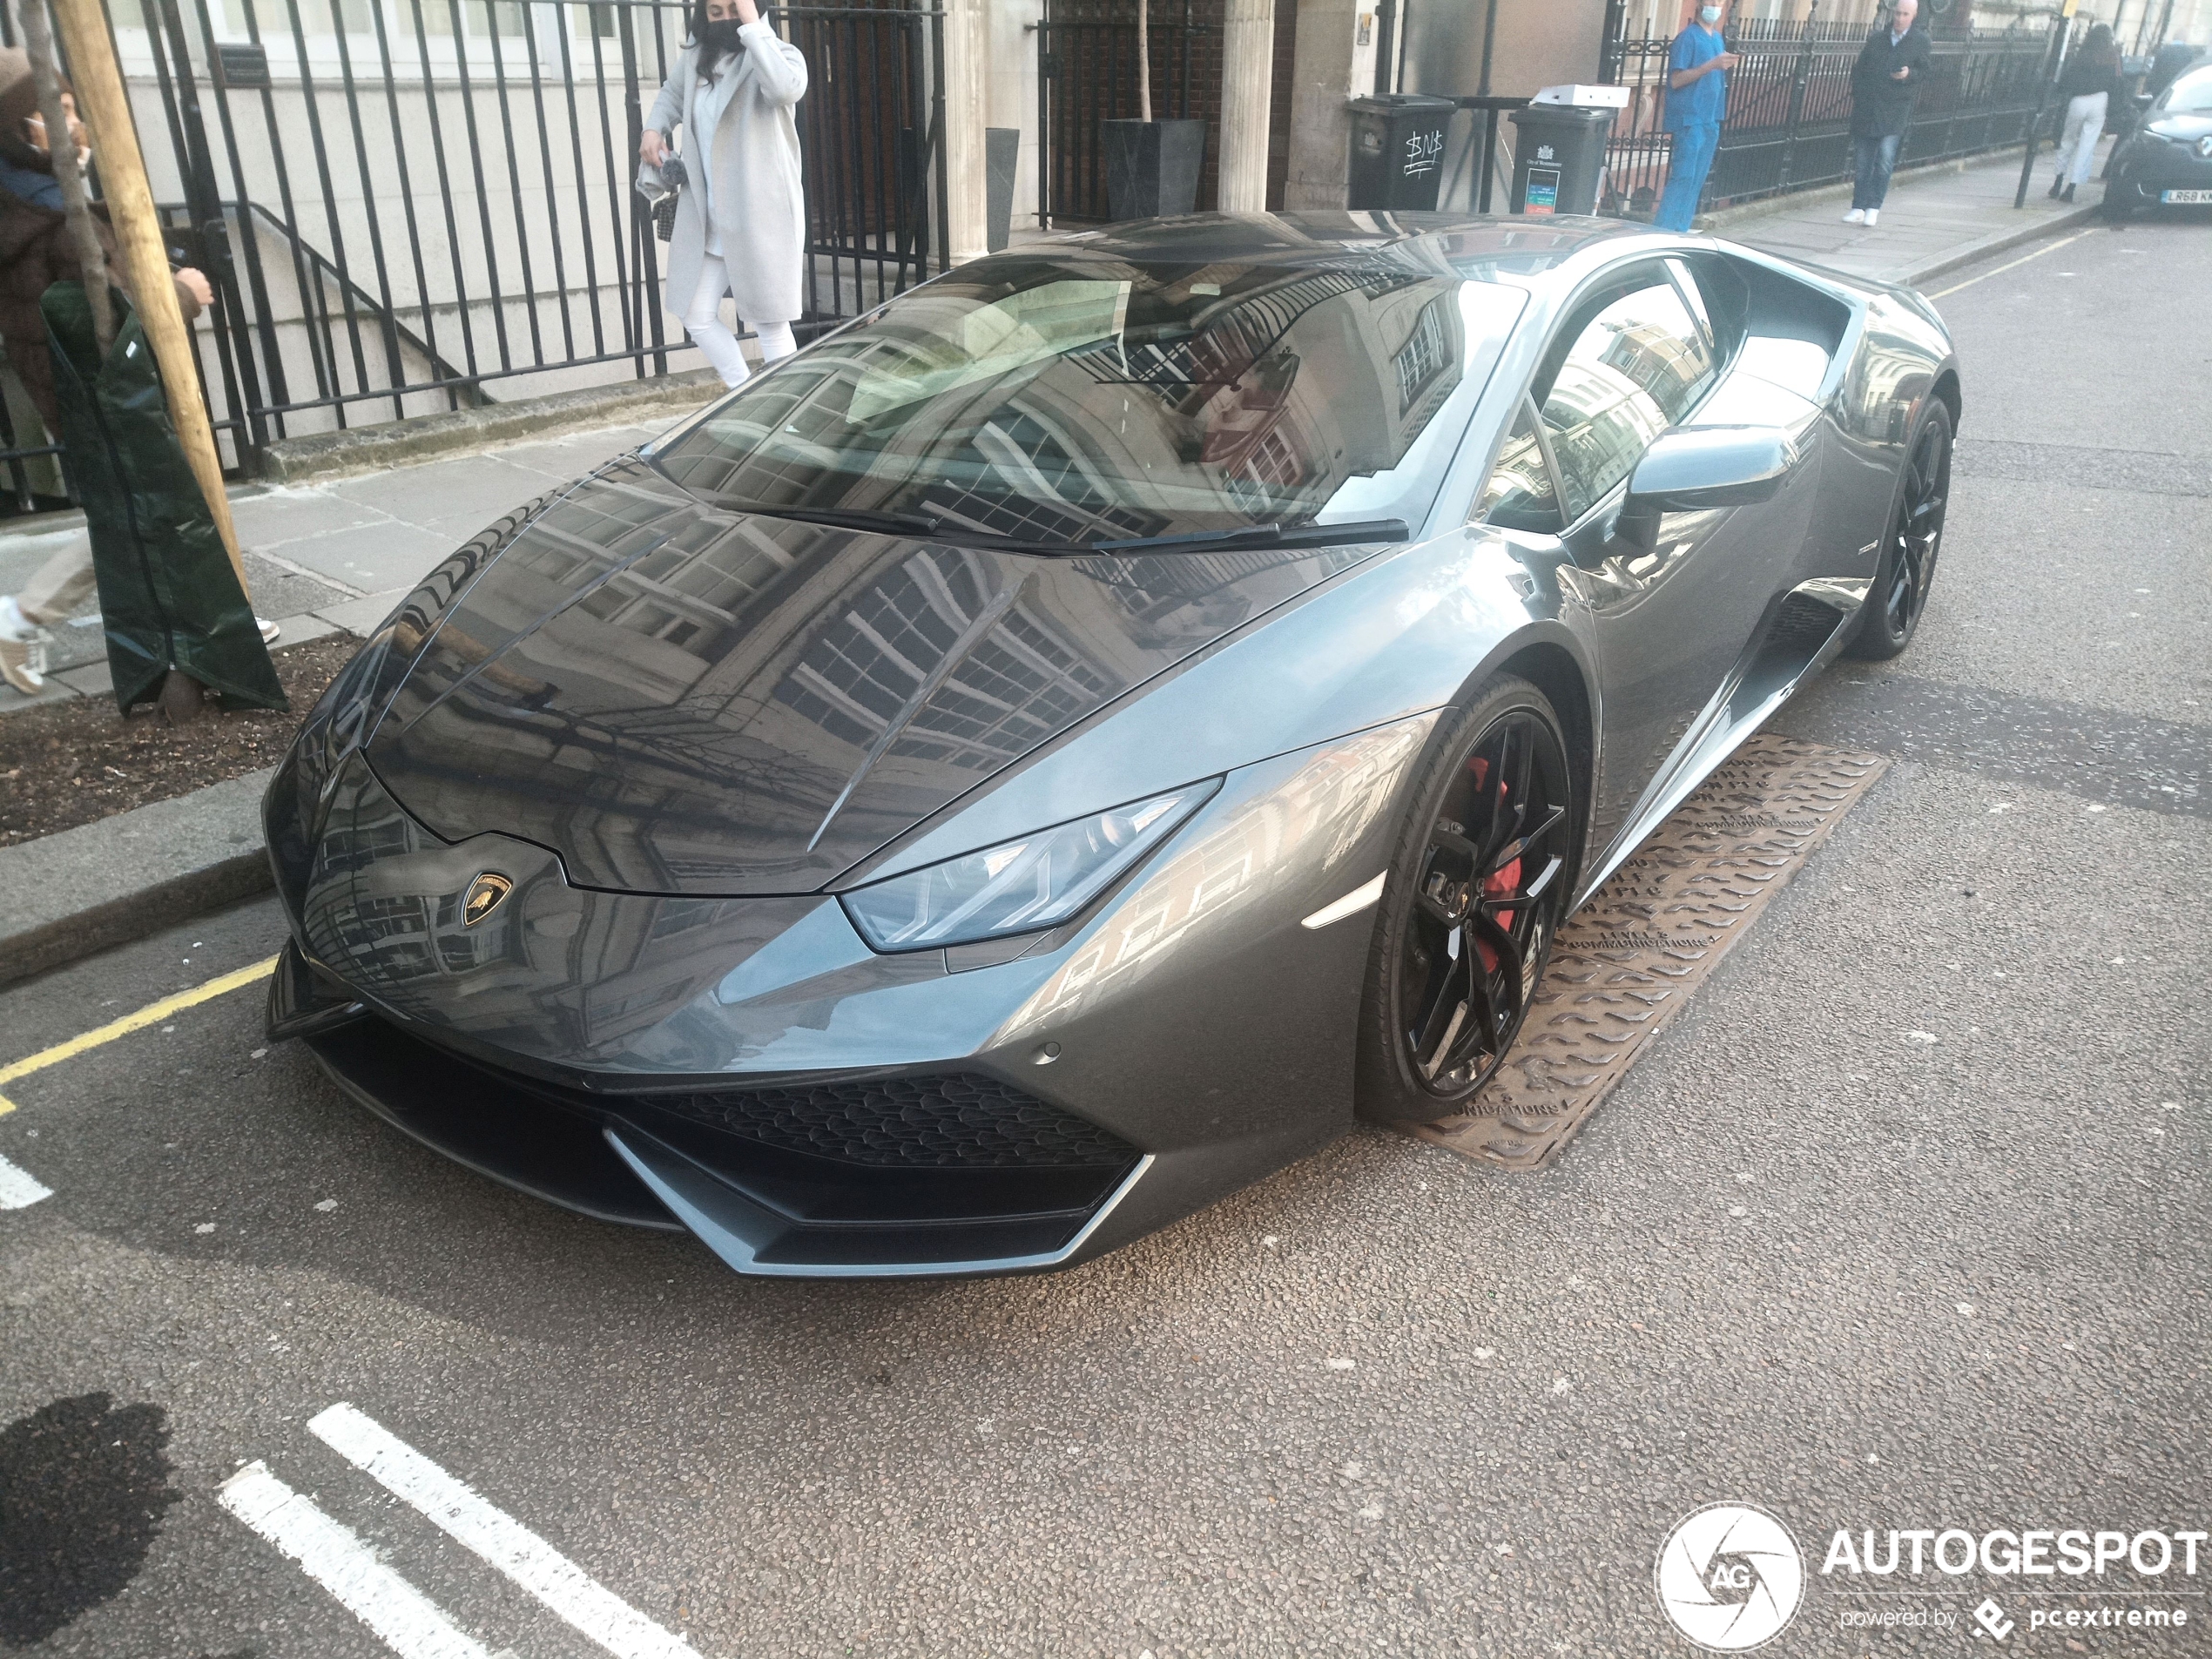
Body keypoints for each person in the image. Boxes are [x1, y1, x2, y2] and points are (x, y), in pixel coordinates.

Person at [0, 48, 275, 698]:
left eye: (73, 109)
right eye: (55, 111)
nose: (74, 125)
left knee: (133, 510)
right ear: (17, 130)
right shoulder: (62, 224)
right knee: (155, 504)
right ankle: (28, 616)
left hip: (74, 391)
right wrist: (182, 294)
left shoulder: (26, 210)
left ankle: (29, 618)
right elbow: (117, 324)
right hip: (111, 394)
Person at [640, 0, 807, 390]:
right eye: (715, 11)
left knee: (770, 321)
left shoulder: (777, 54)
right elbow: (671, 94)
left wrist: (752, 25)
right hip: (708, 214)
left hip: (758, 214)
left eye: (735, 8)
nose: (725, 19)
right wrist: (654, 129)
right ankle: (744, 392)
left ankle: (789, 413)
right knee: (696, 313)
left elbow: (785, 90)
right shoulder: (698, 60)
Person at [1844, 0, 1932, 228]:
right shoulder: (1877, 39)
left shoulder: (1920, 42)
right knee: (1863, 162)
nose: (1899, 18)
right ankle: (1858, 207)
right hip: (1868, 109)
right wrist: (1860, 96)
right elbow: (1859, 70)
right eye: (1897, 13)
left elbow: (1925, 72)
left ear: (1913, 16)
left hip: (1895, 111)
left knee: (1884, 159)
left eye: (1905, 14)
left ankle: (1873, 207)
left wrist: (1908, 74)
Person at [1656, 3, 1738, 233]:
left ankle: (1681, 227)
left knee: (1697, 179)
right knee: (1684, 176)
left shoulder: (1717, 38)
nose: (1715, 6)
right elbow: (1676, 80)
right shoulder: (1687, 38)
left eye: (1718, 2)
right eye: (1710, 2)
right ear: (1700, 5)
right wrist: (1710, 65)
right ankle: (1664, 229)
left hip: (1710, 117)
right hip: (1690, 118)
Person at [2049, 23, 2121, 203]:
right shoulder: (2113, 57)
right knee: (2087, 146)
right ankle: (2071, 188)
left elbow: (2067, 79)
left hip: (2079, 100)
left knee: (2068, 140)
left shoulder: (2083, 54)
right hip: (2100, 100)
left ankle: (2058, 181)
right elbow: (2117, 83)